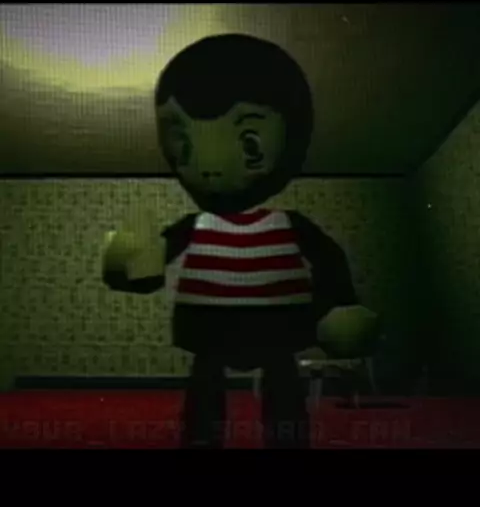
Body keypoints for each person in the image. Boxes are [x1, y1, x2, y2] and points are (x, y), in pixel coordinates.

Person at [103, 34, 380, 448]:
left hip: (273, 324)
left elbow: (327, 259)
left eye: (250, 143)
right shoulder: (194, 225)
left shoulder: (289, 223)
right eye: (184, 146)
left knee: (277, 381)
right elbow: (151, 263)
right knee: (211, 382)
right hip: (214, 325)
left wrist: (338, 304)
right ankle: (205, 439)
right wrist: (131, 264)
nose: (210, 168)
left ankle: (281, 439)